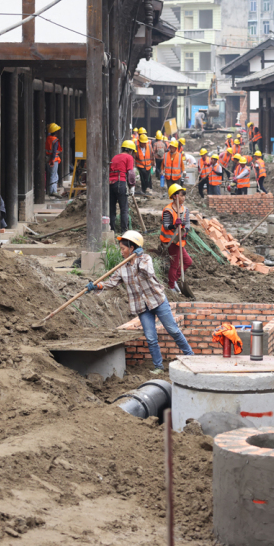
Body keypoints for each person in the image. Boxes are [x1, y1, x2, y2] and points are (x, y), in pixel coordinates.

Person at [90, 230, 194, 375]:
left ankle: (190, 356)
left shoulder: (145, 259)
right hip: (142, 307)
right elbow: (111, 283)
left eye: (123, 248)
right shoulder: (122, 268)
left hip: (157, 301)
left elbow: (148, 272)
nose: (121, 252)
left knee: (173, 330)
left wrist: (137, 258)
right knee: (151, 338)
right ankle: (158, 366)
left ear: (132, 248)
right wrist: (97, 286)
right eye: (121, 249)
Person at [161, 184, 192, 292]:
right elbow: (166, 225)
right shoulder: (168, 210)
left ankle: (174, 279)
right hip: (171, 241)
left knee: (188, 261)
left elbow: (187, 224)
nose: (184, 198)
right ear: (174, 196)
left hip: (180, 241)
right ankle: (171, 286)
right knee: (174, 264)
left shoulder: (185, 209)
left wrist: (185, 231)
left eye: (184, 196)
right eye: (181, 195)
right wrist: (174, 225)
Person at [109, 139, 137, 233]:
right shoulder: (129, 157)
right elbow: (131, 172)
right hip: (120, 183)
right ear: (130, 150)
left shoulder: (115, 157)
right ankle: (124, 231)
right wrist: (132, 185)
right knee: (124, 209)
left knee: (112, 209)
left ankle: (112, 230)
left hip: (110, 184)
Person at [46, 123, 63, 196]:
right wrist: (53, 160)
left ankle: (51, 190)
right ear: (56, 132)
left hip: (47, 158)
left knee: (51, 175)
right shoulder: (55, 140)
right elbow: (54, 151)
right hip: (54, 160)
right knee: (54, 175)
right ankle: (53, 191)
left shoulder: (48, 138)